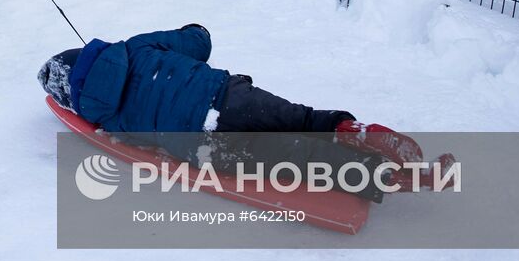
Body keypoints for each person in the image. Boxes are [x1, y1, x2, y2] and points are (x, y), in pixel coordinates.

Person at [38, 24, 424, 199]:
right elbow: (198, 42)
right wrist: (195, 31)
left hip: (204, 143)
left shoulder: (100, 117)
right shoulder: (137, 46)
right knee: (301, 117)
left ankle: (384, 176)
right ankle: (352, 129)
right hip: (228, 94)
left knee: (297, 157)